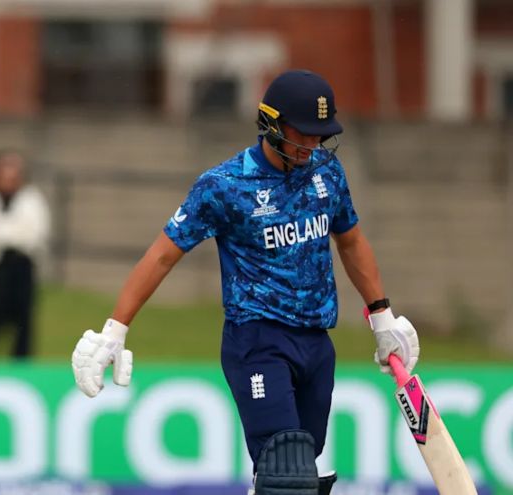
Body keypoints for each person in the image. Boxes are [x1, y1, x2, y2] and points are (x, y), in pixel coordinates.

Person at [71, 70, 421, 495]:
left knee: (299, 473)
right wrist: (115, 330)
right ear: (271, 125)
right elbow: (162, 255)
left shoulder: (326, 172)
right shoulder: (224, 186)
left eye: (320, 135)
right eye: (303, 133)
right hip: (257, 342)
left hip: (316, 343)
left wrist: (382, 318)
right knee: (285, 471)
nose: (312, 144)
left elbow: (351, 241)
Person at [0, 150, 50, 359]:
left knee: (24, 321)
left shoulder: (31, 198)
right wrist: (18, 230)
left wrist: (9, 231)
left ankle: (21, 365)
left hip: (24, 265)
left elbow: (37, 233)